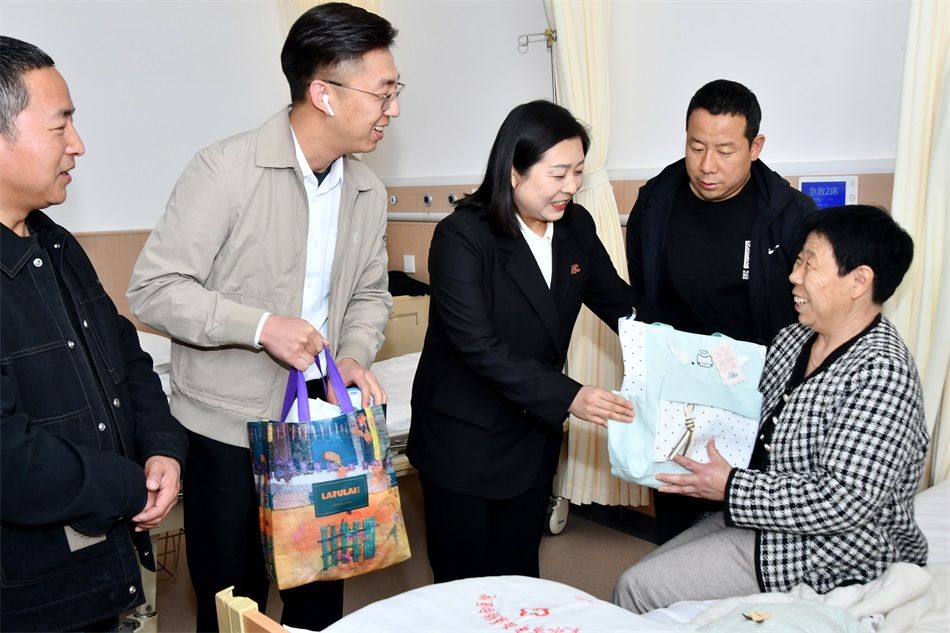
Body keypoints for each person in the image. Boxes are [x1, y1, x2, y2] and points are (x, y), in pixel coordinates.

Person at [126, 3, 399, 630]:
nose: (392, 109)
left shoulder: (366, 191)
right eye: (383, 92)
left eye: (395, 91)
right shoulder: (225, 171)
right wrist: (260, 327)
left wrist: (352, 354)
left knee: (320, 594)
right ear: (323, 93)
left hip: (322, 427)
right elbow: (155, 289)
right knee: (232, 600)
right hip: (226, 429)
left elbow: (369, 293)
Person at [613, 205, 929, 613]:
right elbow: (746, 417)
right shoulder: (795, 340)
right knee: (643, 573)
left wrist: (731, 487)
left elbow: (844, 500)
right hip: (770, 519)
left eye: (809, 264)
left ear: (859, 281)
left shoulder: (882, 374)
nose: (794, 276)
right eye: (798, 260)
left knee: (637, 588)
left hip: (835, 549)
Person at [0, 36, 188, 632]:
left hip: (101, 575)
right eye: (60, 126)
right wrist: (129, 485)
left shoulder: (55, 244)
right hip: (29, 598)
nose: (77, 144)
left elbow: (125, 356)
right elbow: (9, 458)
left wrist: (161, 446)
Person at [407, 100, 637, 583]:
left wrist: (689, 351)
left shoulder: (575, 227)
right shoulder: (463, 237)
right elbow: (478, 346)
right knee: (463, 586)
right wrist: (572, 395)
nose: (571, 186)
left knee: (518, 578)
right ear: (514, 171)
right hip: (464, 440)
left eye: (578, 172)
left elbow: (620, 304)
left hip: (532, 435)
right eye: (558, 174)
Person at [625, 79, 818, 543]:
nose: (707, 165)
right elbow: (644, 292)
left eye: (725, 151)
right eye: (696, 147)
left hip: (756, 393)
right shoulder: (656, 203)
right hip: (679, 391)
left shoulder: (790, 215)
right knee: (676, 514)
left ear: (756, 147)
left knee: (745, 530)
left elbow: (806, 316)